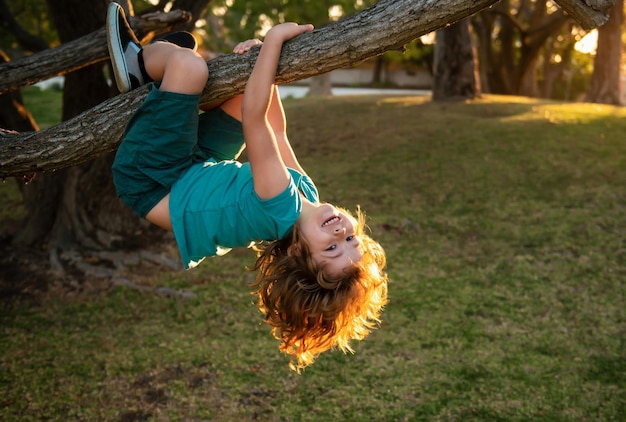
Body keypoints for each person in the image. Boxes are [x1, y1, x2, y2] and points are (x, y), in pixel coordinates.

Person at [106, 2, 387, 371]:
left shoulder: (280, 204)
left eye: (332, 248)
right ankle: (169, 80)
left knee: (190, 69)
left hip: (153, 181)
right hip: (196, 168)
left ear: (295, 254)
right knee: (241, 93)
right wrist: (258, 62)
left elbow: (257, 118)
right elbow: (275, 128)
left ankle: (139, 63)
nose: (342, 234)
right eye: (351, 242)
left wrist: (274, 40)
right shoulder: (307, 198)